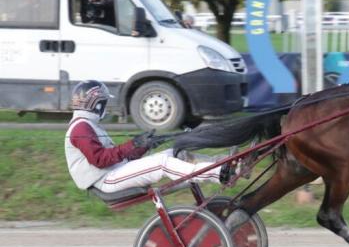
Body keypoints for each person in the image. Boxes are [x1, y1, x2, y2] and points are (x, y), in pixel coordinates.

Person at [65, 80, 230, 193]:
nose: (106, 108)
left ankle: (222, 161)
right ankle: (216, 173)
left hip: (113, 172)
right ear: (97, 104)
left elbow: (118, 157)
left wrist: (145, 145)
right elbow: (101, 160)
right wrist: (133, 144)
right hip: (106, 180)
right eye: (104, 103)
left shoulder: (87, 124)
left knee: (175, 153)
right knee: (163, 164)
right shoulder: (80, 128)